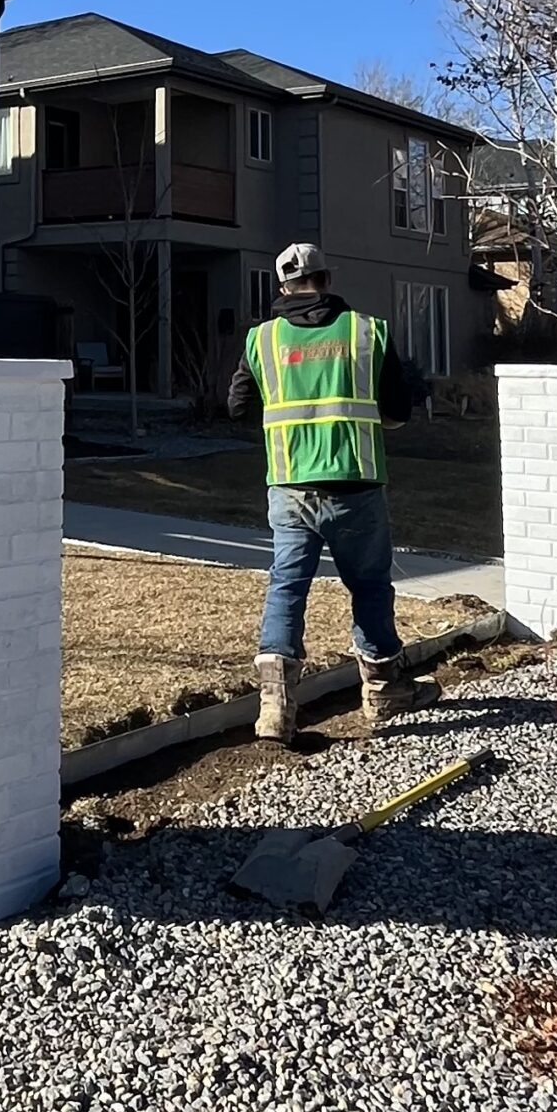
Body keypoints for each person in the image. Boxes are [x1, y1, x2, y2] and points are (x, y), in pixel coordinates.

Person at [225, 240, 435, 741]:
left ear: (283, 287)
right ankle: (384, 691)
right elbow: (399, 412)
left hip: (291, 486)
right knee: (368, 586)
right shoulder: (367, 332)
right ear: (327, 279)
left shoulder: (263, 340)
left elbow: (235, 406)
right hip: (355, 484)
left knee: (287, 585)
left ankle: (275, 707)